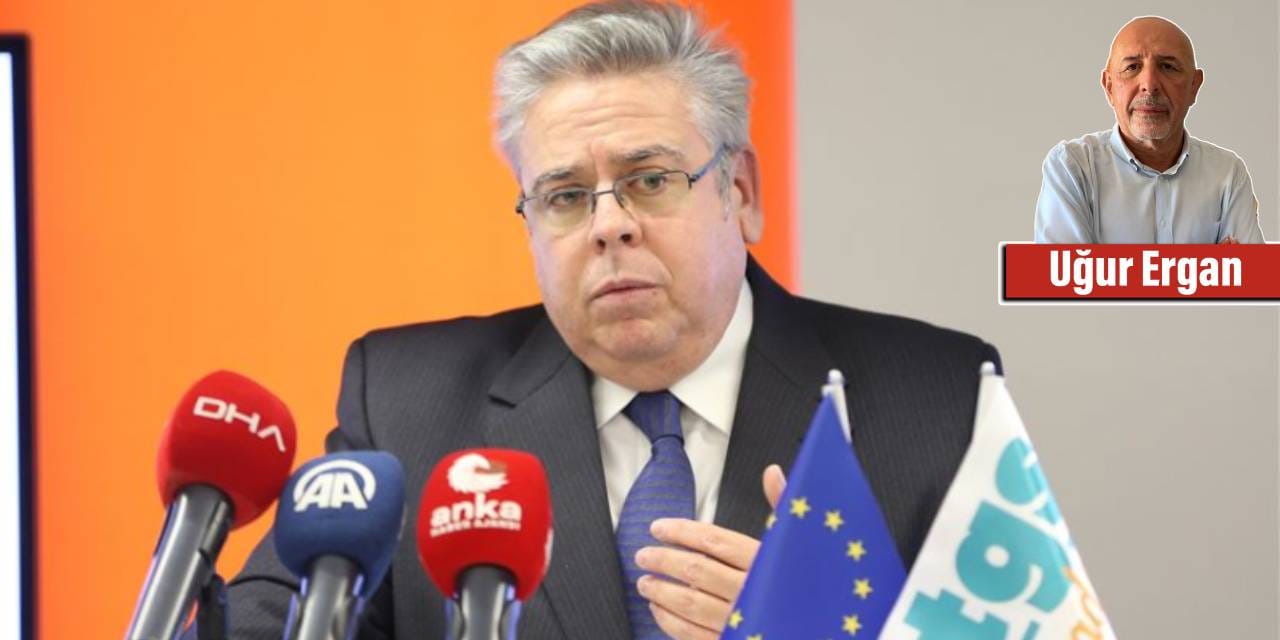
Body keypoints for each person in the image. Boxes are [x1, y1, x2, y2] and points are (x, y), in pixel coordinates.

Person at [226, 2, 999, 638]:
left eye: (650, 180)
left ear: (740, 192)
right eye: (565, 196)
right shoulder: (407, 405)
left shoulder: (936, 401)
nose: (609, 226)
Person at [1034, 16, 1265, 244]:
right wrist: (1208, 264)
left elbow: (1253, 271)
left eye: (1168, 67)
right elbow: (1063, 270)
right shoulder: (1072, 168)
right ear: (1109, 87)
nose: (1150, 84)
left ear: (1194, 86)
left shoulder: (1228, 174)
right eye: (1132, 67)